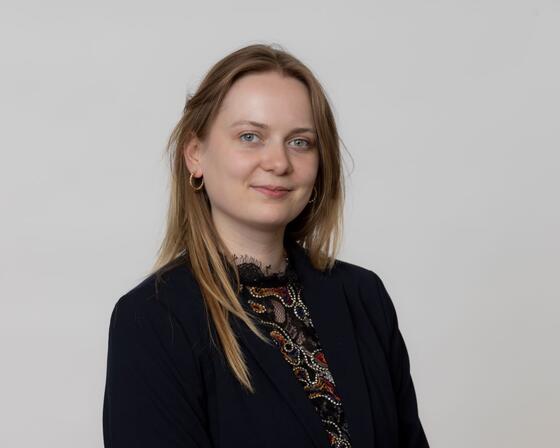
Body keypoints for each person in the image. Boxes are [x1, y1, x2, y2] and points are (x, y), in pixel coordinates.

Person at [102, 43, 430, 448]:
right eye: (250, 136)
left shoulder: (363, 297)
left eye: (300, 142)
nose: (278, 162)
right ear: (195, 155)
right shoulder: (153, 319)